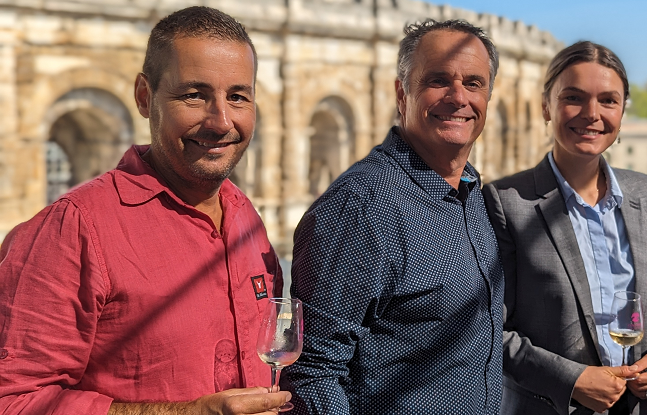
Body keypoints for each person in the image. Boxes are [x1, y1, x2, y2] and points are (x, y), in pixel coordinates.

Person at [0, 6, 291, 414]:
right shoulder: (74, 229)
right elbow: (14, 401)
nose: (221, 120)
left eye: (238, 97)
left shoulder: (245, 217)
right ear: (144, 96)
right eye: (194, 95)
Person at [283, 19, 503, 414]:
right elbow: (314, 370)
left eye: (474, 83)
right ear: (402, 93)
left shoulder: (470, 193)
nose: (458, 97)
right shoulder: (363, 204)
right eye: (438, 80)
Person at [483, 41, 647, 415]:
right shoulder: (505, 202)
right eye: (574, 97)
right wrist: (571, 381)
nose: (592, 114)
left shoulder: (644, 193)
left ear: (623, 111)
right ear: (547, 105)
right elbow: (491, 330)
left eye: (608, 100)